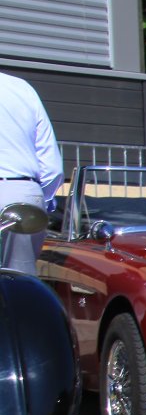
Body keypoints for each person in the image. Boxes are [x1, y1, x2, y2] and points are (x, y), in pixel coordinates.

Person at [0, 72, 63, 273]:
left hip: (21, 193)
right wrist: (41, 200)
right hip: (25, 193)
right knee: (21, 279)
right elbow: (52, 166)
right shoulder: (21, 87)